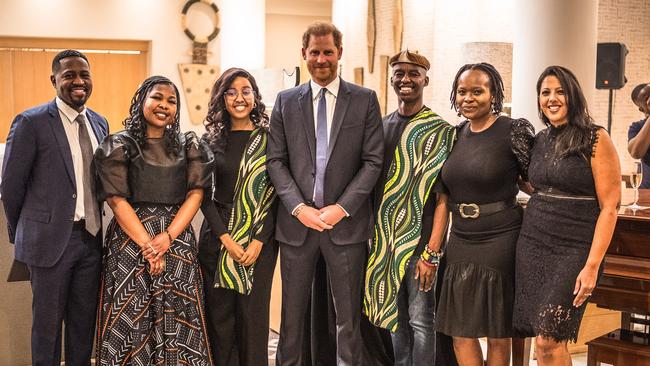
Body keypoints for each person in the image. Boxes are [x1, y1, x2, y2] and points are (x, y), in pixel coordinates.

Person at [266, 22, 383, 365]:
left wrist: (342, 208)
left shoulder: (364, 100)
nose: (321, 59)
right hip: (297, 228)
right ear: (303, 54)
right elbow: (276, 161)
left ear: (339, 54)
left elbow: (373, 162)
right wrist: (298, 208)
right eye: (314, 52)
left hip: (345, 229)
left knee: (348, 321)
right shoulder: (286, 102)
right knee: (291, 320)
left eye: (327, 52)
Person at [94, 75, 214, 365]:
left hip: (177, 241)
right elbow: (116, 199)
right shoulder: (119, 144)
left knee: (180, 312)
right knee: (131, 313)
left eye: (171, 101)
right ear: (141, 101)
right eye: (157, 97)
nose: (164, 105)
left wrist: (167, 238)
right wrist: (149, 244)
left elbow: (196, 194)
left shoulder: (189, 145)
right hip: (131, 240)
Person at [1, 49, 108, 366]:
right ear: (54, 80)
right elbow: (11, 186)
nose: (78, 81)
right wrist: (24, 235)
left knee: (82, 328)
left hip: (91, 241)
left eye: (84, 75)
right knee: (46, 331)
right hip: (49, 245)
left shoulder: (100, 123)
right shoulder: (31, 122)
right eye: (69, 75)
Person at [513, 66, 621, 366]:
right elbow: (540, 185)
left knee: (549, 341)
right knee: (540, 343)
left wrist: (591, 266)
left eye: (560, 91)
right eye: (545, 92)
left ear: (573, 95)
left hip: (574, 250)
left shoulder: (596, 138)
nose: (552, 98)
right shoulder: (540, 139)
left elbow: (610, 207)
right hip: (532, 244)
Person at [434, 63, 535, 366]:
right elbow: (444, 193)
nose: (468, 98)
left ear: (494, 95)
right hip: (462, 239)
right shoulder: (454, 135)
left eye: (477, 91)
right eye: (462, 91)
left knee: (497, 331)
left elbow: (534, 183)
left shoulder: (512, 130)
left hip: (501, 239)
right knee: (460, 332)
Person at [364, 50, 455, 366]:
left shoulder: (439, 130)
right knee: (395, 321)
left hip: (419, 247)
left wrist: (432, 253)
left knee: (421, 321)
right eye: (399, 73)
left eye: (413, 74)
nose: (405, 79)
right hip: (384, 245)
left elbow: (444, 199)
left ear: (425, 80)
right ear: (391, 79)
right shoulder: (380, 126)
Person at [199, 67, 277, 366]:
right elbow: (203, 195)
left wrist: (259, 239)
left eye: (245, 91)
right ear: (222, 99)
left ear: (255, 98)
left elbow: (277, 195)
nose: (239, 98)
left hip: (260, 242)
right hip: (218, 238)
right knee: (220, 321)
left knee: (253, 321)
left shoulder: (271, 141)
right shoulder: (209, 141)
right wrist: (226, 239)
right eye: (230, 92)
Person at [627, 83, 650, 188]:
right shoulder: (637, 127)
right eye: (647, 99)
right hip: (647, 191)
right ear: (642, 109)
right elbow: (635, 153)